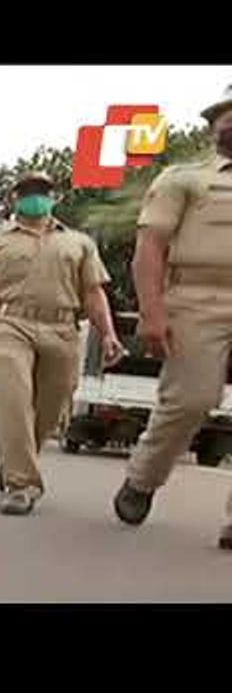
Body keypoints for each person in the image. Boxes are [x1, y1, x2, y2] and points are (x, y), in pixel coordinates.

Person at [0, 171, 124, 516]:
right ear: (15, 197)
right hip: (8, 324)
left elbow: (93, 293)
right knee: (13, 400)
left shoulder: (78, 243)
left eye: (43, 191)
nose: (36, 197)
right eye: (29, 191)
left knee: (50, 407)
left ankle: (11, 463)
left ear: (54, 198)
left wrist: (108, 334)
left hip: (61, 328)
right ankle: (21, 485)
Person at [113, 87, 232, 550]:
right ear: (215, 129)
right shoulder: (184, 179)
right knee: (191, 401)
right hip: (197, 298)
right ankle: (143, 477)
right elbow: (151, 247)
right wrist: (152, 312)